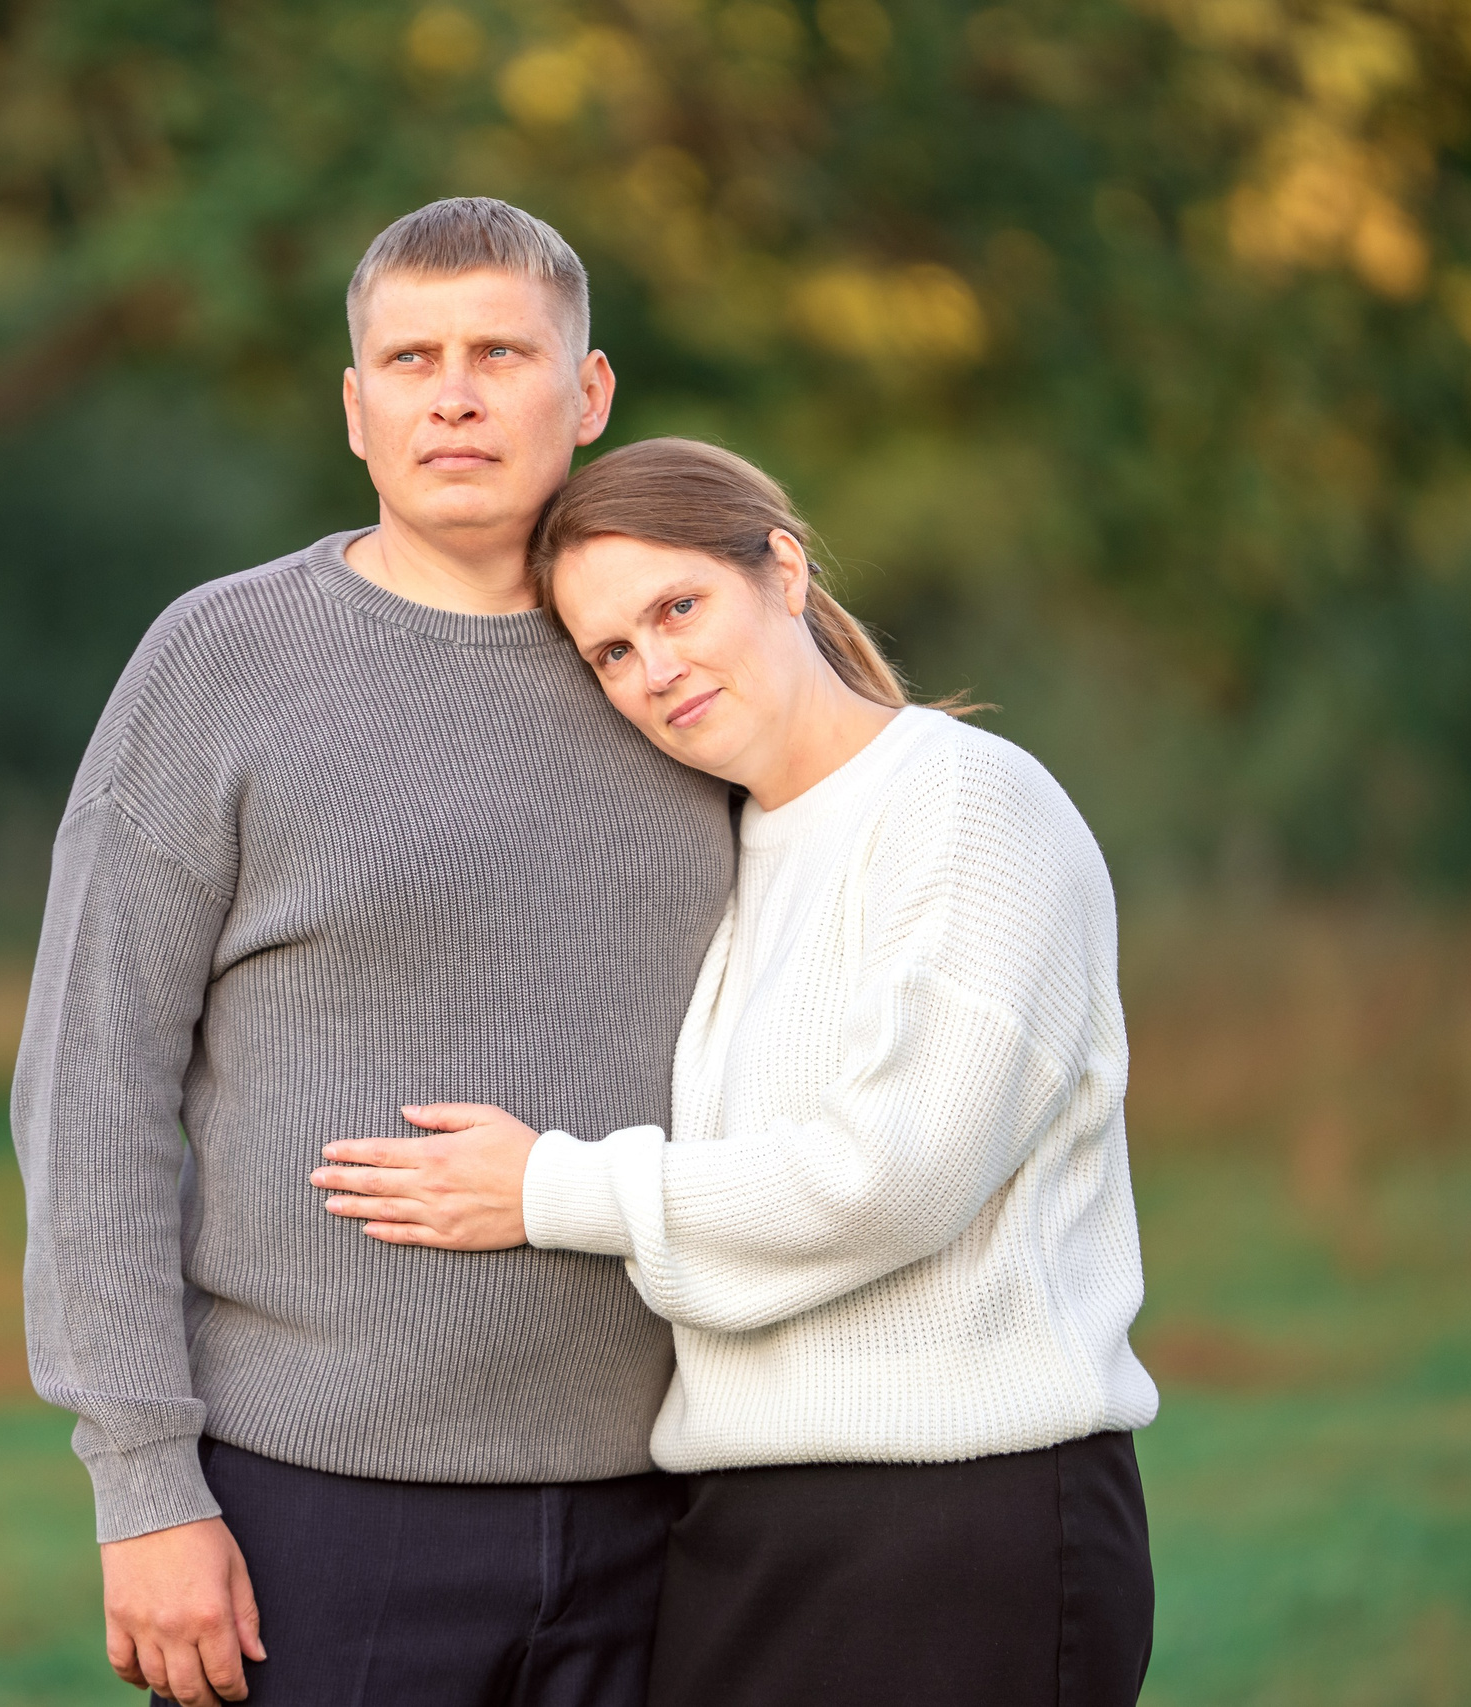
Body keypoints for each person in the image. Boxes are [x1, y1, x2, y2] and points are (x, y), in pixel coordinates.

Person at [12, 204, 734, 1706]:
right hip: (311, 1505)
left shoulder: (675, 664)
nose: (453, 393)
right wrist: (144, 1480)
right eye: (410, 358)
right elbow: (94, 1083)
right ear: (357, 408)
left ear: (588, 394)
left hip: (669, 1498)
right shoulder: (221, 662)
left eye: (497, 354)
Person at [313, 438, 1160, 1707]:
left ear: (783, 568)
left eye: (676, 608)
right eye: (611, 651)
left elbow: (893, 1178)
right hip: (739, 1531)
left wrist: (549, 1191)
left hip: (956, 1530)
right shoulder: (738, 846)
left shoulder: (968, 805)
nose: (655, 670)